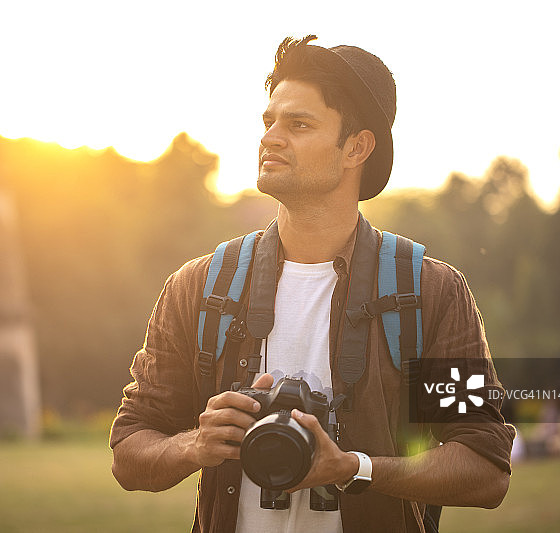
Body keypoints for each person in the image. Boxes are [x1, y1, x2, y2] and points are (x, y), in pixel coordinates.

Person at [110, 35, 515, 532]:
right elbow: (129, 454)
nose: (271, 137)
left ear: (356, 147)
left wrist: (353, 468)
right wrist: (194, 443)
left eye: (299, 124)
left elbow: (485, 468)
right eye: (269, 121)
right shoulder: (200, 288)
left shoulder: (430, 292)